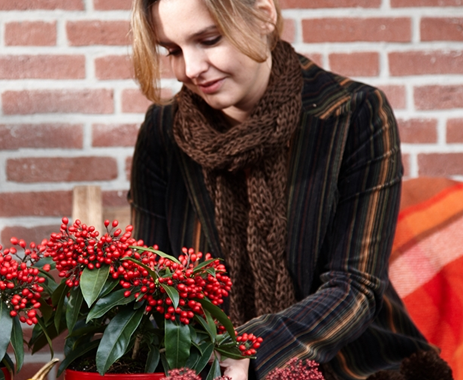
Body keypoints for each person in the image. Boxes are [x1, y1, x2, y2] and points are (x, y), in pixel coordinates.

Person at [127, 0, 450, 379]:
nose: (191, 69)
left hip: (352, 361)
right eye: (173, 51)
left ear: (264, 15)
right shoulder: (163, 132)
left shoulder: (353, 114)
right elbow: (153, 283)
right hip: (207, 366)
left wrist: (248, 348)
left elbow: (354, 286)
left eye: (210, 40)